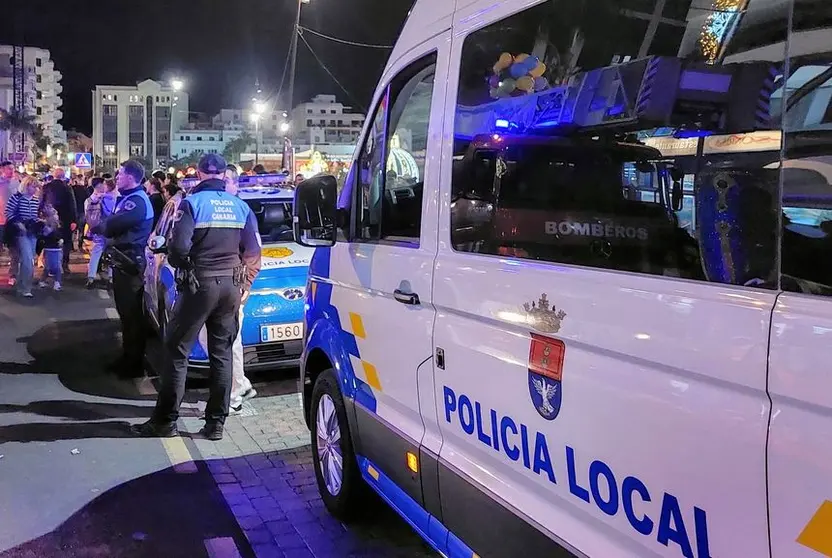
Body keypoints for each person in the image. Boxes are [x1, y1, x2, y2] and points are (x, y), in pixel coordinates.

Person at [132, 154, 261, 441]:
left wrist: (185, 267)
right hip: (230, 287)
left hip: (199, 284)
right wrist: (244, 285)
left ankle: (165, 421)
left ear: (201, 174)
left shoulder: (192, 204)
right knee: (222, 354)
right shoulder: (241, 207)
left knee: (177, 352)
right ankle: (215, 424)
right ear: (222, 174)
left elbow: (178, 248)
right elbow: (252, 252)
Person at [197, 164, 259, 415]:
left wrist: (246, 284)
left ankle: (233, 394)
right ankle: (240, 384)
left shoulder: (242, 211)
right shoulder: (227, 210)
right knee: (227, 340)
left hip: (234, 287)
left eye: (229, 181)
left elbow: (254, 252)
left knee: (225, 341)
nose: (225, 185)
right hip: (227, 286)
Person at [91, 160, 154, 379]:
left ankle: (135, 364)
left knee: (132, 315)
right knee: (126, 316)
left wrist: (103, 225)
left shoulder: (135, 201)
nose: (117, 177)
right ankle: (128, 358)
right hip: (123, 262)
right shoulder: (128, 198)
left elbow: (110, 225)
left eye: (120, 174)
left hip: (130, 264)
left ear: (131, 177)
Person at [4, 176, 40, 297]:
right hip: (20, 232)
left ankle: (22, 284)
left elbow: (36, 215)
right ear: (26, 185)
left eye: (36, 186)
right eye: (33, 186)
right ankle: (25, 287)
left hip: (32, 231)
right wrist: (19, 223)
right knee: (27, 258)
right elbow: (8, 212)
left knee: (29, 259)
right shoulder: (17, 198)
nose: (35, 188)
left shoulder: (36, 200)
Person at [41, 168, 77, 275]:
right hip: (65, 218)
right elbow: (72, 204)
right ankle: (64, 265)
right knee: (66, 242)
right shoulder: (67, 188)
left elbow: (41, 202)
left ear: (54, 175)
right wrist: (73, 220)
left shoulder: (46, 187)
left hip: (50, 219)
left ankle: (49, 266)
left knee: (49, 242)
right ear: (63, 176)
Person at [84, 177, 117, 288]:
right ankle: (111, 278)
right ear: (100, 185)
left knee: (96, 252)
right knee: (112, 253)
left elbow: (87, 217)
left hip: (97, 229)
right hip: (110, 228)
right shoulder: (110, 198)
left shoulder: (88, 200)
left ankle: (91, 277)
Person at [1, 161, 21, 285]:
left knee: (14, 250)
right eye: (9, 168)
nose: (11, 171)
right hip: (1, 221)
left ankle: (13, 275)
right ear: (2, 169)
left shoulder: (16, 183)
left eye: (13, 169)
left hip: (13, 221)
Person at [37, 205, 64, 291]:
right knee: (48, 267)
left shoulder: (58, 226)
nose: (56, 216)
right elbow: (44, 237)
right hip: (49, 249)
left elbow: (61, 235)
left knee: (57, 267)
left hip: (57, 249)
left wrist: (61, 240)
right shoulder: (46, 228)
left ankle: (57, 282)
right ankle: (42, 280)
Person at [71, 175, 89, 251]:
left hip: (73, 211)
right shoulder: (84, 189)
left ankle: (71, 247)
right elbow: (88, 199)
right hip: (82, 210)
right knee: (81, 230)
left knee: (72, 230)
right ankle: (80, 245)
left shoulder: (71, 189)